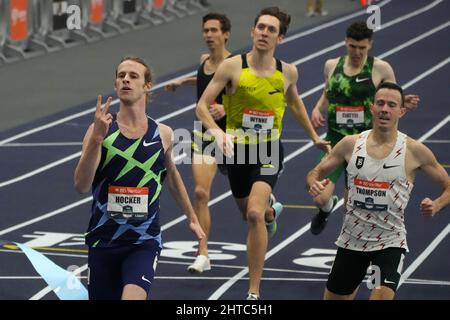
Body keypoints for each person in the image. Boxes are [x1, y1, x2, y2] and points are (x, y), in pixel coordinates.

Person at [196, 7, 330, 300]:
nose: (264, 33)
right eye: (261, 28)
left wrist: (313, 137)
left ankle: (253, 292)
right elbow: (202, 106)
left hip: (268, 149)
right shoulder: (232, 66)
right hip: (237, 152)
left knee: (253, 214)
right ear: (253, 31)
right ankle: (272, 213)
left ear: (280, 38)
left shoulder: (288, 72)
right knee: (251, 214)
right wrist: (217, 132)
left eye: (271, 30)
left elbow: (295, 104)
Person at [74, 56, 205, 300]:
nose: (125, 79)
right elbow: (81, 185)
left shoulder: (163, 133)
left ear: (147, 86)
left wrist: (192, 218)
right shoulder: (99, 130)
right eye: (121, 75)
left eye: (133, 76)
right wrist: (96, 141)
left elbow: (172, 176)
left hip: (143, 241)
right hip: (103, 240)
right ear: (115, 85)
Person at [306, 82, 450, 300]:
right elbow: (315, 172)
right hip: (352, 241)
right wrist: (314, 182)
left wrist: (437, 204)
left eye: (392, 105)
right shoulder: (350, 144)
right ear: (371, 107)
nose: (385, 109)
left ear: (401, 111)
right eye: (380, 103)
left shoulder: (414, 150)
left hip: (389, 243)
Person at [309, 21, 420, 235]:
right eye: (352, 46)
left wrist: (404, 101)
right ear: (345, 43)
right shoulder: (331, 65)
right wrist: (317, 108)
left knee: (354, 206)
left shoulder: (380, 68)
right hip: (335, 142)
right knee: (319, 196)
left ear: (370, 45)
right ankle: (325, 209)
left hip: (364, 146)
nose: (357, 52)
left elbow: (391, 96)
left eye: (362, 48)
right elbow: (328, 92)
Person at [165, 13, 233, 273]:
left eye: (214, 30)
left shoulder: (236, 64)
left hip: (235, 137)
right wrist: (182, 82)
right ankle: (203, 252)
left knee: (250, 204)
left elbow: (247, 95)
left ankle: (269, 209)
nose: (208, 35)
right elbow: (206, 82)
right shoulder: (204, 61)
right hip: (205, 136)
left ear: (225, 34)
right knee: (200, 193)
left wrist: (226, 109)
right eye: (205, 30)